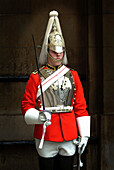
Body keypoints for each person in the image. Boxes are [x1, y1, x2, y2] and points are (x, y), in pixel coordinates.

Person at [21, 10, 90, 170]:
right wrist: (38, 116)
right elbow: (26, 106)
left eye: (61, 52)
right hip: (47, 132)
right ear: (47, 51)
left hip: (69, 134)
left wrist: (84, 133)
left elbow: (80, 106)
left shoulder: (72, 75)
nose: (58, 56)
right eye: (54, 52)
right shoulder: (36, 77)